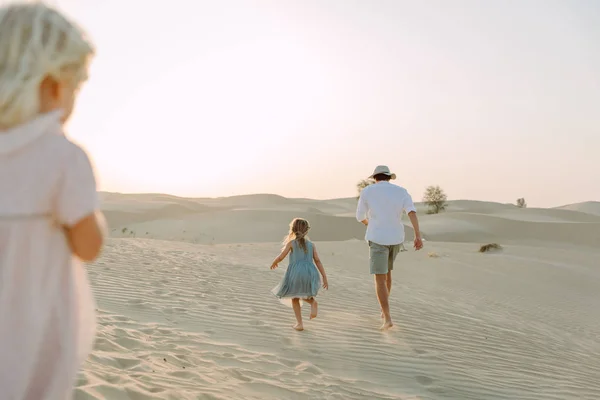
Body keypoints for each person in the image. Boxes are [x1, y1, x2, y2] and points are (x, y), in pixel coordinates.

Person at [0, 3, 105, 398]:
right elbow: (88, 245)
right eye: (75, 87)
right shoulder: (63, 158)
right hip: (33, 318)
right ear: (53, 85)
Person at [356, 165, 423, 330]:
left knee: (379, 279)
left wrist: (370, 225)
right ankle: (383, 310)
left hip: (377, 238)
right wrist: (417, 235)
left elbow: (359, 216)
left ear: (375, 178)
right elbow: (412, 213)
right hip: (395, 238)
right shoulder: (401, 191)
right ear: (389, 177)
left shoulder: (367, 191)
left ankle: (387, 317)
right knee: (387, 274)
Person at [270, 218, 328, 331]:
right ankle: (312, 302)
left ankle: (299, 323)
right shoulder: (311, 245)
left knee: (295, 297)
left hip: (296, 273)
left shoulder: (291, 243)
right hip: (310, 272)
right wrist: (324, 276)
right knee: (303, 293)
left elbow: (282, 256)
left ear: (292, 229)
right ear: (306, 231)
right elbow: (317, 261)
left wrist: (275, 261)